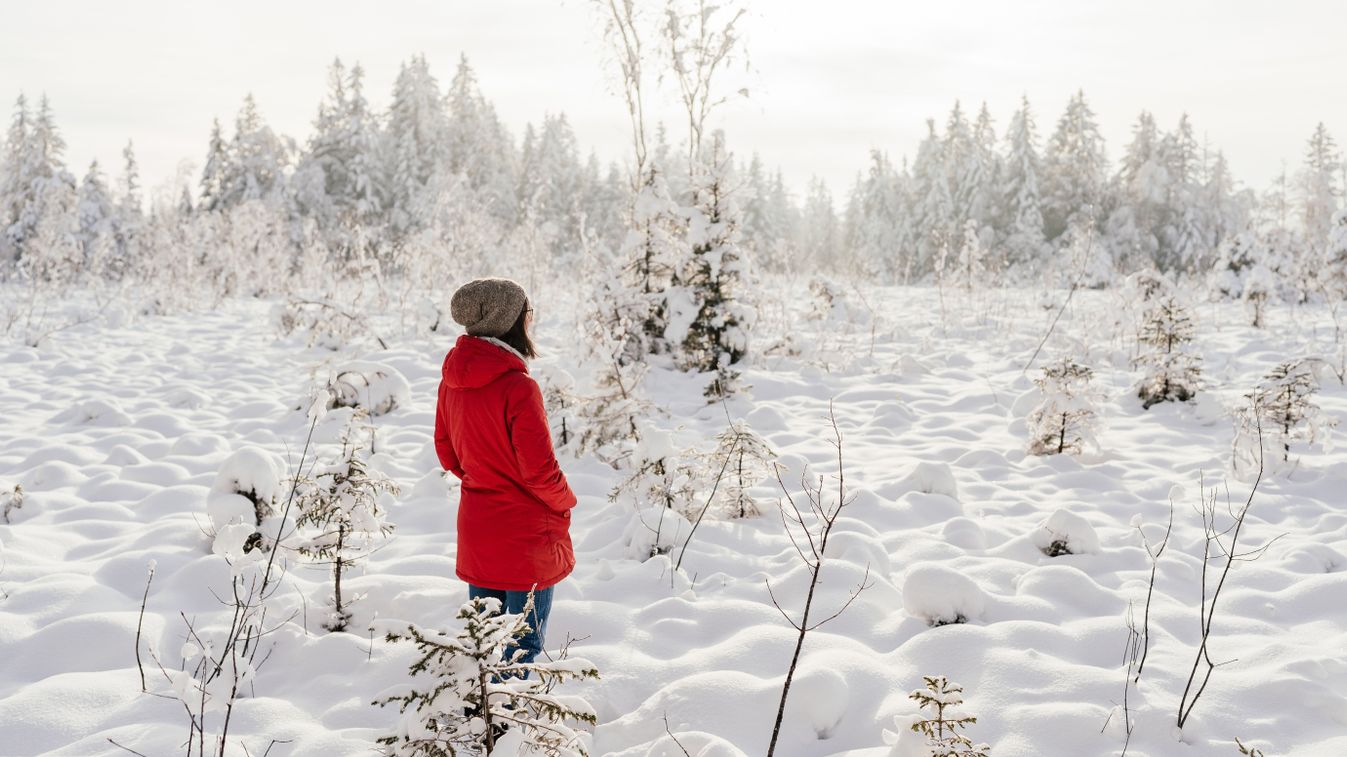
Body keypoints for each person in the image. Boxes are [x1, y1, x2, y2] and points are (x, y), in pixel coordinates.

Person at [433, 277, 577, 668]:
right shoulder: (518, 387)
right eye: (527, 312)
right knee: (522, 646)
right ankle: (509, 708)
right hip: (525, 535)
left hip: (478, 527)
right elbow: (540, 472)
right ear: (510, 319)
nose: (530, 319)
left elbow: (447, 454)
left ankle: (480, 706)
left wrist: (484, 477)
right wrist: (565, 501)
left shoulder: (451, 382)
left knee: (482, 642)